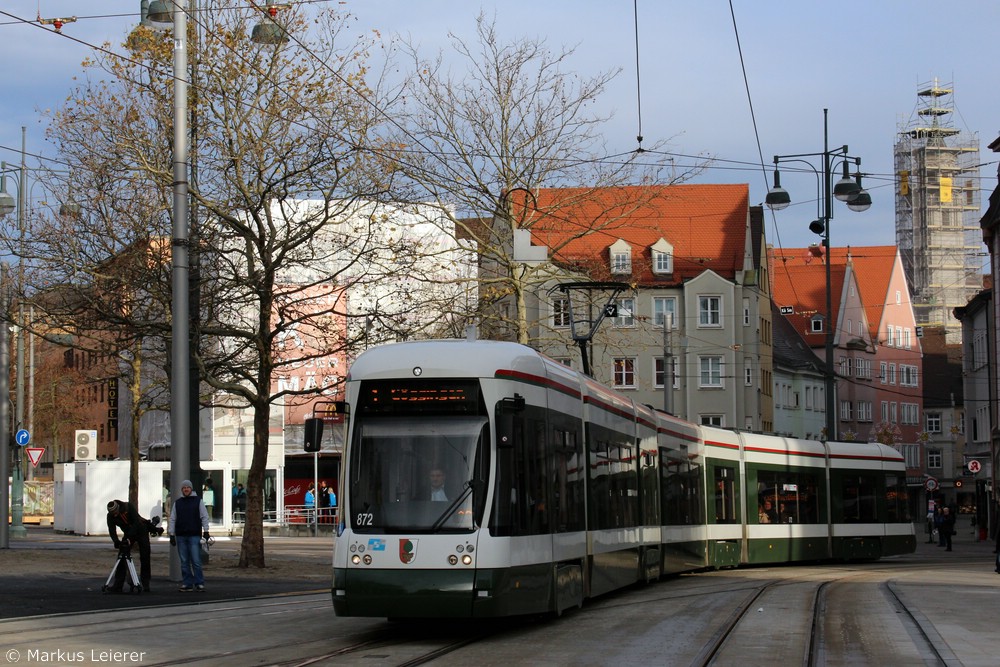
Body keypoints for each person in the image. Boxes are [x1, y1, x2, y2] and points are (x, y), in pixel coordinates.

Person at [169, 479, 211, 592]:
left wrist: (206, 531)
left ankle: (199, 582)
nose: (186, 489)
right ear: (182, 490)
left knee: (196, 560)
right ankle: (187, 583)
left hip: (194, 535)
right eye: (184, 488)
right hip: (181, 535)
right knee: (184, 562)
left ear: (191, 489)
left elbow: (204, 516)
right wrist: (171, 534)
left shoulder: (198, 501)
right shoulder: (177, 503)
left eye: (187, 487)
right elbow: (173, 519)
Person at [106, 499, 153, 593]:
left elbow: (136, 521)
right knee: (121, 557)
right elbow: (112, 530)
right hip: (128, 532)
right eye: (112, 514)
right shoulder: (110, 516)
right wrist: (116, 541)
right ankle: (118, 585)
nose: (115, 515)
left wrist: (129, 536)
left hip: (141, 530)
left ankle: (145, 583)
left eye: (115, 512)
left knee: (145, 556)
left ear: (118, 508)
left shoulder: (128, 507)